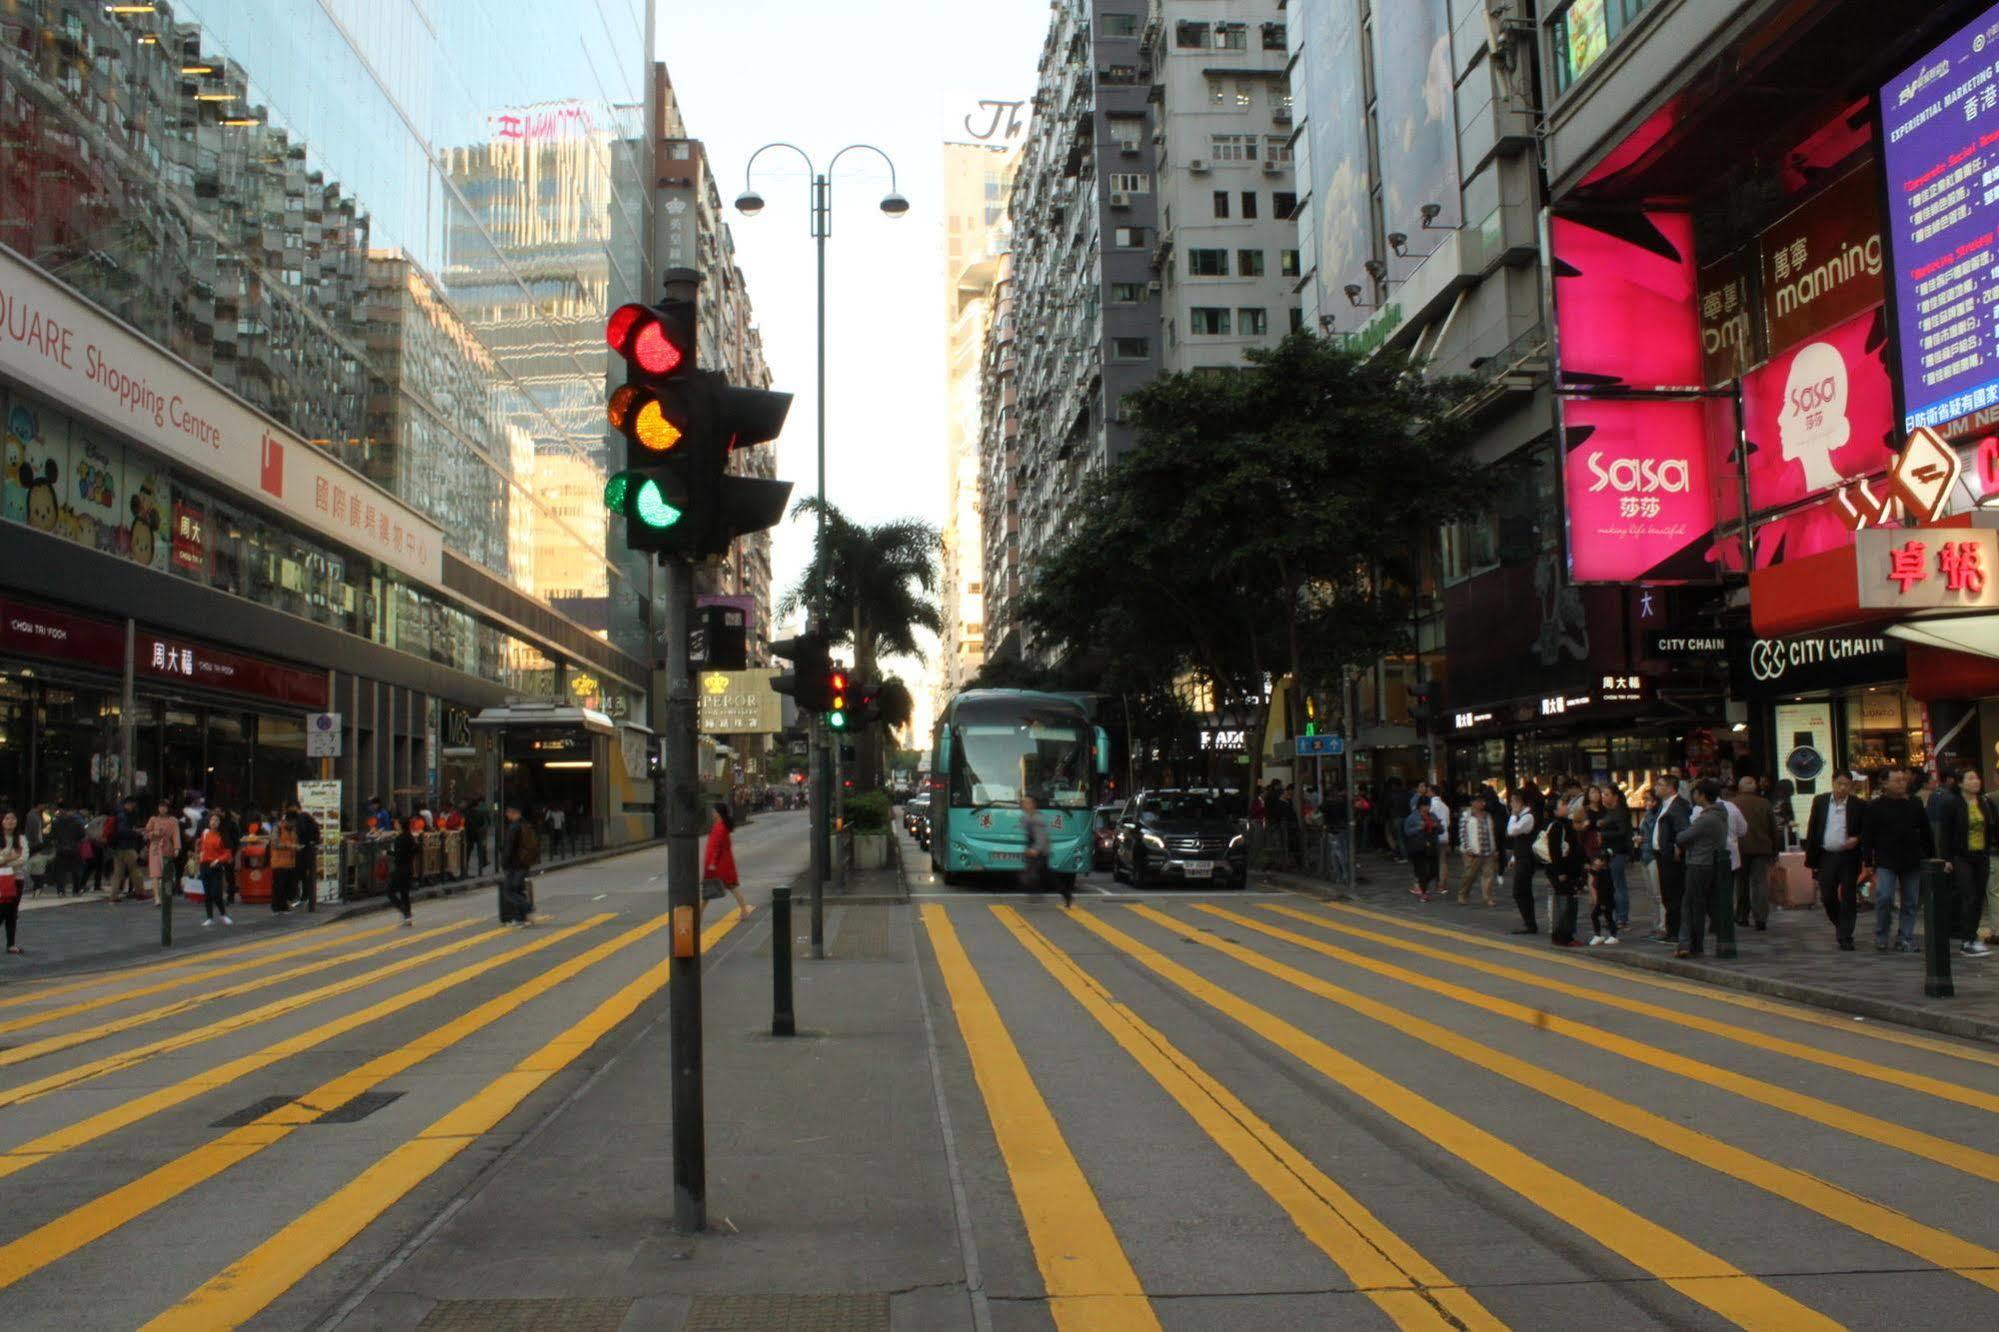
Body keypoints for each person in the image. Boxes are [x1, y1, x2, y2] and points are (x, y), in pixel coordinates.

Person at [1862, 767, 1935, 953]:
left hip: (1912, 858)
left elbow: (1926, 831)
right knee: (1884, 897)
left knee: (1910, 901)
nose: (1902, 784)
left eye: (1904, 780)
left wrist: (1931, 855)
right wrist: (1868, 861)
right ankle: (1882, 934)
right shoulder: (1874, 807)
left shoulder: (1914, 803)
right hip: (1886, 860)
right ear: (1884, 783)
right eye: (1897, 780)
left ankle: (1905, 937)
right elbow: (1868, 836)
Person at [1935, 768, 1995, 958]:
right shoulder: (1953, 804)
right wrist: (1946, 858)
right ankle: (1966, 939)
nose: (1975, 781)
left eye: (1977, 777)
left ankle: (1973, 936)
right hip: (1961, 857)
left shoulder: (1985, 802)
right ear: (1960, 783)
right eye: (1970, 778)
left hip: (1982, 855)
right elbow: (1944, 834)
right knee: (1968, 896)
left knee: (1978, 897)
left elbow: (1993, 828)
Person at [1805, 772, 1866, 951]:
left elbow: (1866, 829)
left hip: (1848, 856)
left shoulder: (1858, 805)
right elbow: (1813, 828)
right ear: (1833, 783)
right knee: (1827, 895)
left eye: (1846, 785)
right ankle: (1841, 924)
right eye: (1839, 784)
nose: (1842, 788)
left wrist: (1858, 839)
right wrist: (1811, 859)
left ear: (1851, 786)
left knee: (1848, 895)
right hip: (1826, 855)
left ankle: (1846, 935)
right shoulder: (1821, 801)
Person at [1675, 780, 1732, 958]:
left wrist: (1680, 837)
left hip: (1699, 863)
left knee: (1691, 905)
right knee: (1701, 904)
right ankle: (1694, 943)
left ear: (1701, 795)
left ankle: (1689, 944)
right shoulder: (1719, 814)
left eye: (1695, 793)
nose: (1693, 797)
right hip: (1710, 862)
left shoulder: (1706, 818)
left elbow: (1683, 837)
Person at [1730, 776, 1781, 931]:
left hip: (1740, 848)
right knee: (1760, 883)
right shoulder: (1764, 803)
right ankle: (1761, 918)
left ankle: (1741, 915)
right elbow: (1773, 828)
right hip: (1761, 848)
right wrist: (1775, 850)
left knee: (1741, 883)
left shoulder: (1733, 804)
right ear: (1755, 788)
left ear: (1739, 788)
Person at [1652, 776, 1693, 942]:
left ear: (1670, 788)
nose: (1656, 787)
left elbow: (1683, 829)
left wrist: (1676, 846)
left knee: (1673, 894)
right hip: (1662, 854)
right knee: (1667, 893)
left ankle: (1675, 931)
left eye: (1660, 785)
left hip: (1671, 857)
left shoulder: (1677, 806)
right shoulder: (1665, 805)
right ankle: (1671, 930)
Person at [700, 803, 751, 918]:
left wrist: (712, 862)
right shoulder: (721, 826)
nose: (712, 814)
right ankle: (744, 910)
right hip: (723, 862)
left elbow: (716, 846)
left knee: (711, 889)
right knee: (730, 887)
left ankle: (700, 914)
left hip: (719, 864)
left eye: (714, 812)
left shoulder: (720, 828)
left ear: (718, 813)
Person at [1547, 807, 1589, 947]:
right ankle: (1563, 935)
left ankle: (1562, 934)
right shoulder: (1559, 827)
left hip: (1571, 871)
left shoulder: (1568, 828)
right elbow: (1555, 851)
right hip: (1564, 872)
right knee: (1566, 904)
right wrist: (1560, 872)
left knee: (1568, 903)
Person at [1598, 786, 1634, 932]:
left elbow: (1622, 832)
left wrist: (1603, 834)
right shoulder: (1610, 811)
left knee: (1619, 885)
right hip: (1609, 851)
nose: (1603, 797)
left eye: (1606, 794)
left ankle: (1622, 918)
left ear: (1615, 797)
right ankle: (1614, 916)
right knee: (1612, 885)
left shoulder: (1620, 812)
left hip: (1618, 851)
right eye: (1603, 794)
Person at [1504, 791, 1538, 935]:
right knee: (1523, 891)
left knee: (1520, 891)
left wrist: (1512, 815)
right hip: (1521, 857)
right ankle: (1529, 922)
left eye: (1512, 801)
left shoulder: (1528, 817)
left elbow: (1512, 831)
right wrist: (1513, 858)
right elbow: (1519, 841)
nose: (1511, 804)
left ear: (1519, 802)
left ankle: (1530, 923)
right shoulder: (1522, 817)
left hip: (1527, 859)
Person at [1021, 794, 1064, 905]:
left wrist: (1035, 849)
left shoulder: (1037, 819)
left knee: (1046, 876)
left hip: (1041, 851)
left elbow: (1041, 837)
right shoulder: (1027, 817)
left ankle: (1065, 893)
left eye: (1027, 803)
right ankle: (1035, 895)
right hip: (1034, 849)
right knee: (1034, 873)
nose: (1025, 805)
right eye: (1024, 803)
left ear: (1033, 805)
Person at [499, 801, 537, 925]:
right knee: (518, 889)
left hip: (515, 864)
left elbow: (509, 847)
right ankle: (521, 918)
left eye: (508, 812)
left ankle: (527, 907)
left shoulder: (514, 827)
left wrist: (504, 863)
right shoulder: (526, 824)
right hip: (525, 862)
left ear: (513, 812)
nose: (506, 815)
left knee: (509, 890)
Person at [1457, 793, 1498, 906]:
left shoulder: (1487, 816)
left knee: (1488, 875)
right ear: (1473, 803)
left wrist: (1494, 849)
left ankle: (1487, 897)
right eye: (1479, 801)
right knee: (1469, 875)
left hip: (1487, 850)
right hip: (1473, 851)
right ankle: (1463, 895)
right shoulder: (1467, 815)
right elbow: (1463, 833)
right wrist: (1467, 848)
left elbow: (1491, 833)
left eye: (1482, 801)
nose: (1482, 804)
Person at [196, 813, 234, 927]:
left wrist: (217, 861)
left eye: (216, 820)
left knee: (216, 893)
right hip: (204, 865)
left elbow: (228, 854)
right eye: (212, 820)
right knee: (207, 894)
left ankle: (223, 915)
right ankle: (209, 917)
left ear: (219, 823)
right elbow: (201, 847)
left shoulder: (223, 836)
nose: (213, 822)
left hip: (216, 866)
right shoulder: (205, 833)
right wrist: (199, 855)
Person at [106, 797, 147, 901]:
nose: (134, 807)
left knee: (118, 873)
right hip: (127, 847)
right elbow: (123, 831)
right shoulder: (124, 816)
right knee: (136, 869)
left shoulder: (117, 813)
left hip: (117, 847)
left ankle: (113, 896)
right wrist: (135, 832)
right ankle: (140, 892)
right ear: (129, 804)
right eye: (133, 805)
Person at [142, 800, 182, 906]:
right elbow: (145, 833)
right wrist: (154, 833)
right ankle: (157, 897)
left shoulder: (173, 820)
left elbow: (176, 834)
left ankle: (166, 896)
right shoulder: (153, 819)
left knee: (167, 874)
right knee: (155, 874)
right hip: (155, 847)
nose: (162, 809)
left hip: (167, 847)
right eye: (160, 807)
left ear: (168, 808)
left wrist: (177, 848)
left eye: (164, 807)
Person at [0, 810, 26, 953]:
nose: (10, 821)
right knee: (2, 911)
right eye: (6, 818)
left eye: (13, 818)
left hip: (17, 880)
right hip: (1, 880)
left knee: (12, 912)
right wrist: (10, 858)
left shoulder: (22, 839)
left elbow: (23, 858)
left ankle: (11, 944)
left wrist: (4, 860)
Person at [386, 814, 416, 926]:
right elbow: (416, 850)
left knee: (390, 891)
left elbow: (398, 854)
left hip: (400, 868)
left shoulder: (399, 839)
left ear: (401, 825)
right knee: (404, 893)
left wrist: (387, 853)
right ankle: (407, 919)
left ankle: (406, 912)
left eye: (397, 823)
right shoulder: (410, 837)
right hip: (409, 867)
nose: (395, 825)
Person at [269, 812, 300, 913]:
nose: (293, 825)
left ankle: (284, 905)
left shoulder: (293, 830)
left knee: (288, 887)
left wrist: (296, 847)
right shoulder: (277, 828)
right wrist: (290, 846)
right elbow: (274, 843)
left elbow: (294, 841)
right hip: (279, 863)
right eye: (292, 823)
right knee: (279, 886)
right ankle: (276, 906)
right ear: (286, 821)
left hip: (290, 863)